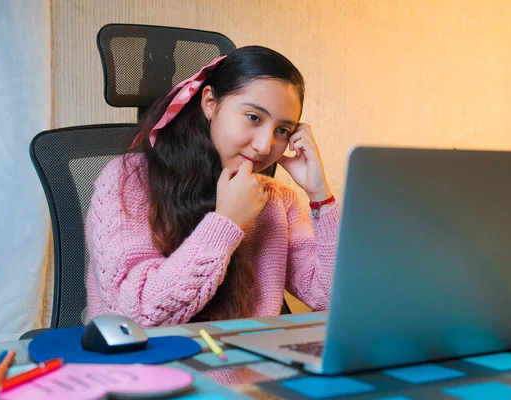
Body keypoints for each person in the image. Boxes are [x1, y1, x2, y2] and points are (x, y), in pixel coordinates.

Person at [85, 46, 340, 327]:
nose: (265, 145)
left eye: (282, 130)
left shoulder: (277, 201)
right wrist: (227, 222)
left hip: (246, 365)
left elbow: (329, 298)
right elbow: (135, 316)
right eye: (253, 117)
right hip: (149, 367)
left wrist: (320, 196)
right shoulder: (129, 180)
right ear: (210, 102)